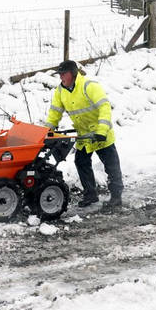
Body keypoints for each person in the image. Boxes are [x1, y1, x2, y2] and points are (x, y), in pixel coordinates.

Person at [46, 60, 124, 209]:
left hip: (100, 134)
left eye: (64, 73)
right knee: (81, 162)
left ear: (73, 73)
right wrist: (47, 131)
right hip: (84, 136)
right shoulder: (60, 91)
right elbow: (54, 113)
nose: (61, 77)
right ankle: (90, 195)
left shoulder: (89, 86)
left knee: (111, 165)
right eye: (60, 74)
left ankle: (116, 196)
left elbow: (104, 107)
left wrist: (102, 130)